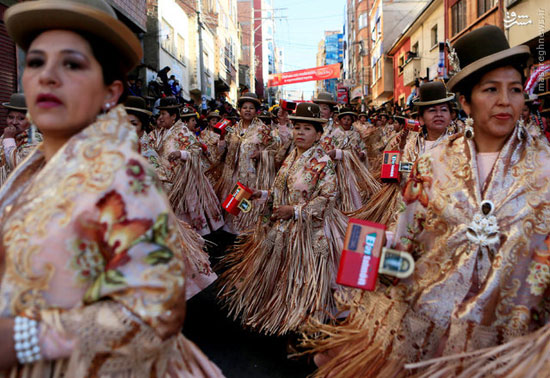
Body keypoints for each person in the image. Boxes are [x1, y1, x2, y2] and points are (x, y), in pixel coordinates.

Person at [302, 25, 548, 377]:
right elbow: (406, 238)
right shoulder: (433, 163)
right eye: (490, 90)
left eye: (514, 90)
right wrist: (371, 254)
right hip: (434, 319)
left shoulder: (544, 168)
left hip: (512, 337)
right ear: (465, 101)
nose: (505, 101)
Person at [0, 1, 222, 376]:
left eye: (72, 64)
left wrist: (23, 338)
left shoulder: (119, 174)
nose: (48, 76)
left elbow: (153, 312)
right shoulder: (33, 163)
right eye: (36, 61)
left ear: (110, 92)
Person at [219, 103, 346, 335]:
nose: (300, 132)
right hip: (283, 229)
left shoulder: (323, 163)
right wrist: (263, 194)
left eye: (307, 128)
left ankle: (300, 323)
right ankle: (276, 316)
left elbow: (328, 198)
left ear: (318, 134)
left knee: (303, 281)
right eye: (297, 127)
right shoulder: (290, 158)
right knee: (278, 275)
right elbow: (281, 191)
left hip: (307, 234)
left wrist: (296, 211)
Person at [215, 92, 277, 235]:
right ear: (239, 110)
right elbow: (222, 152)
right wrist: (222, 137)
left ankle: (247, 232)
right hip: (233, 175)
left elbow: (275, 150)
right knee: (233, 206)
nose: (248, 110)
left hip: (253, 175)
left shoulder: (263, 130)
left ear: (256, 111)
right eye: (244, 107)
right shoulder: (233, 129)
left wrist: (261, 154)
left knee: (248, 205)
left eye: (251, 108)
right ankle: (232, 233)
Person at [320, 107, 379, 212]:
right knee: (339, 190)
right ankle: (341, 210)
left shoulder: (356, 134)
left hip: (352, 167)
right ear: (340, 120)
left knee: (354, 190)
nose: (346, 121)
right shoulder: (334, 133)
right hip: (338, 168)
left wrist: (362, 153)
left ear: (352, 121)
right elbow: (327, 150)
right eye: (344, 119)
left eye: (349, 119)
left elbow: (363, 147)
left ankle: (355, 210)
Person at [0, 93, 42, 183]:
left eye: (21, 118)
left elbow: (20, 169)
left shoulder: (35, 140)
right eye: (10, 117)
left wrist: (9, 140)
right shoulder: (5, 137)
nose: (14, 122)